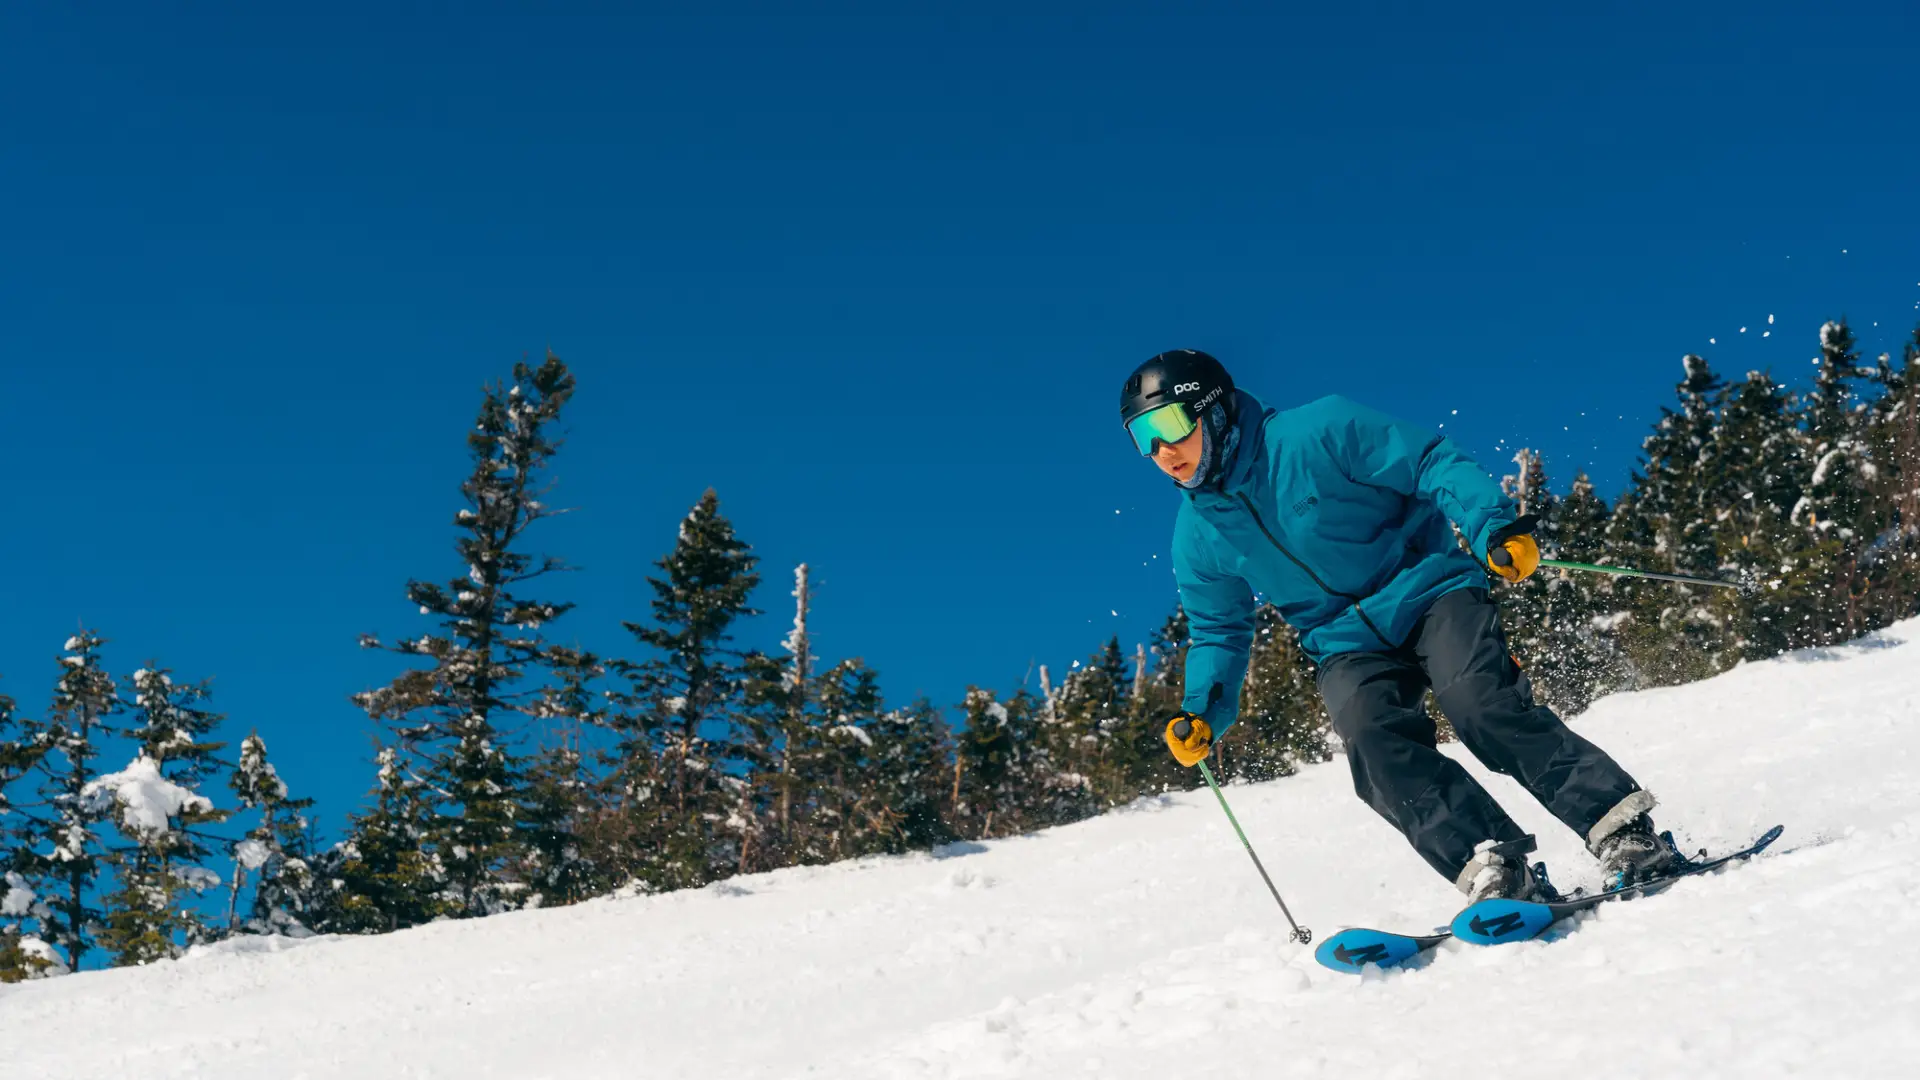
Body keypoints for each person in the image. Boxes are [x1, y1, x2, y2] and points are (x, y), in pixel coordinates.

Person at [1121, 348, 1677, 901]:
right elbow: (1220, 631)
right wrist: (1202, 712)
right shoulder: (1196, 534)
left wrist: (1491, 528)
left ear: (1213, 410)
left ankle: (1620, 827)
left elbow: (1428, 461)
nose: (1161, 451)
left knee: (1480, 704)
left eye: (1168, 425)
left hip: (1430, 590)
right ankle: (1495, 867)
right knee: (1371, 738)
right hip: (1342, 643)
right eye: (1142, 438)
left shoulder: (1316, 430)